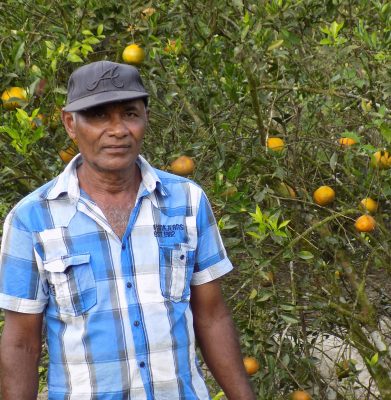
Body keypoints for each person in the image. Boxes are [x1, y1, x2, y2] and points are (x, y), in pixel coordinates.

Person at [0, 61, 255, 400]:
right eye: (99, 116)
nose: (118, 130)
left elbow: (212, 317)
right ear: (70, 124)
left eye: (130, 114)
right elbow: (21, 344)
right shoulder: (31, 219)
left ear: (146, 118)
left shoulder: (186, 201)